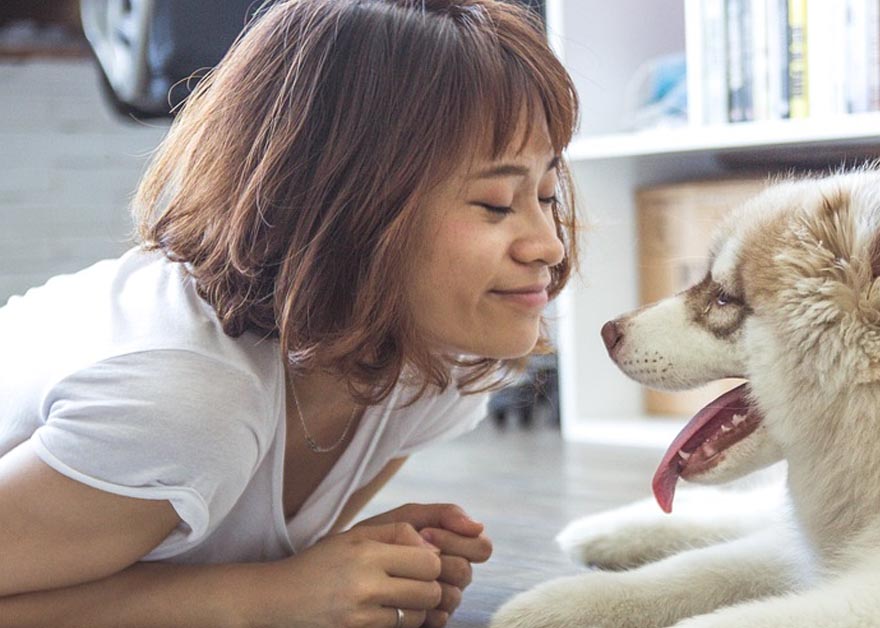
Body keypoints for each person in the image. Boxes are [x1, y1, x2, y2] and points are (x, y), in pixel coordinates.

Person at [0, 0, 578, 626]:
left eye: (546, 193)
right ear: (340, 207)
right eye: (495, 203)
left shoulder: (429, 359)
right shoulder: (184, 403)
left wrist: (345, 567)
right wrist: (270, 596)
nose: (548, 243)